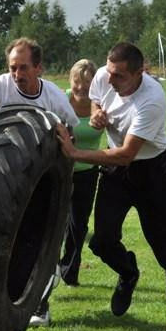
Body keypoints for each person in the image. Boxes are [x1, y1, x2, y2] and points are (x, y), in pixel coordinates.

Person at [55, 42, 166, 331]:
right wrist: (97, 112)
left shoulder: (153, 100)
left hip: (151, 171)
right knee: (101, 241)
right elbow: (97, 98)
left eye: (119, 76)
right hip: (114, 169)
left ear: (139, 74)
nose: (110, 80)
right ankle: (128, 271)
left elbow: (126, 154)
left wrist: (75, 153)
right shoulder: (104, 76)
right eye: (109, 72)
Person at [0, 37, 79, 327]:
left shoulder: (52, 96)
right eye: (13, 67)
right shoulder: (0, 86)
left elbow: (70, 133)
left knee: (39, 238)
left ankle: (40, 305)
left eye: (23, 68)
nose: (17, 75)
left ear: (38, 68)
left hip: (39, 180)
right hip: (1, 178)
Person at [58, 59, 103, 287]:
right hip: (60, 171)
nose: (81, 88)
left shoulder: (101, 104)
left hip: (87, 172)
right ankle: (47, 267)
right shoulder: (60, 99)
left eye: (87, 83)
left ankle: (69, 272)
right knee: (54, 220)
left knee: (78, 225)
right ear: (70, 81)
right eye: (77, 82)